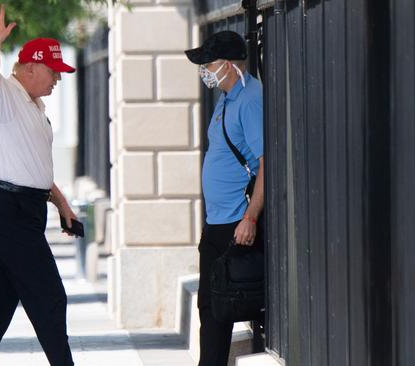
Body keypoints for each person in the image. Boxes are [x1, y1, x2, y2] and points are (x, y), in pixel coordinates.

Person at [0, 3, 78, 365]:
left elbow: (34, 170)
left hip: (21, 207)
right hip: (4, 207)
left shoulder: (35, 107)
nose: (58, 78)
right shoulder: (5, 96)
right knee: (49, 295)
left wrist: (63, 206)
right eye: (53, 71)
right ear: (29, 67)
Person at [184, 31, 264, 366]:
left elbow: (265, 162)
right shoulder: (227, 99)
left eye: (210, 63)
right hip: (216, 223)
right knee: (210, 310)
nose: (204, 70)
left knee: (222, 311)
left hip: (236, 223)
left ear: (230, 65)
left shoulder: (250, 99)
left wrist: (251, 217)